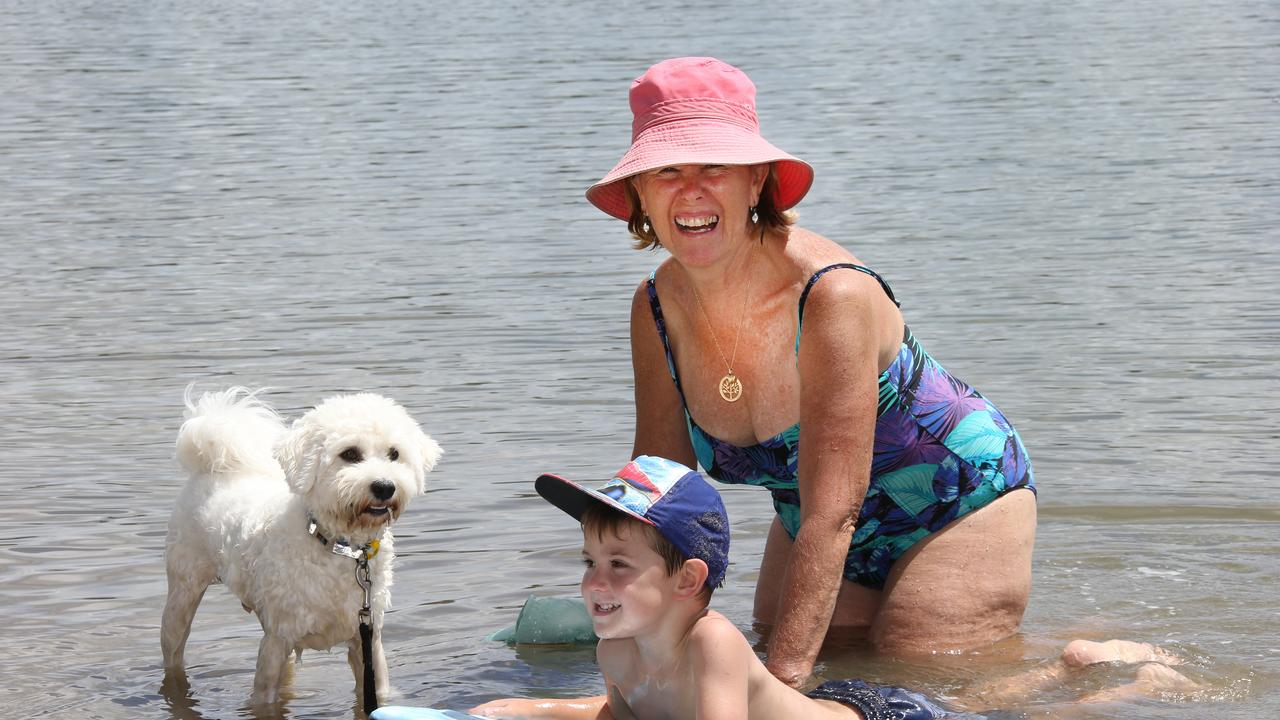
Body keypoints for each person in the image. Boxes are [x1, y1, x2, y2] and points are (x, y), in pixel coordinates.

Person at [585, 56, 1038, 684]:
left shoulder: (830, 296)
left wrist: (777, 688)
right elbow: (658, 494)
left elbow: (836, 509)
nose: (690, 190)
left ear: (757, 182)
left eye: (714, 166)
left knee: (925, 678)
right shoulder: (656, 307)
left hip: (954, 502)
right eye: (666, 170)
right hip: (812, 517)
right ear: (639, 194)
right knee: (787, 649)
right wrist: (634, 657)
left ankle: (1100, 680)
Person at [465, 457, 1196, 720]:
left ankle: (1130, 690)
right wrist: (531, 709)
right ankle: (1063, 666)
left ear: (689, 581)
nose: (594, 582)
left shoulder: (712, 642)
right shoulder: (617, 650)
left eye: (619, 565)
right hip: (835, 705)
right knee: (975, 705)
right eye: (590, 561)